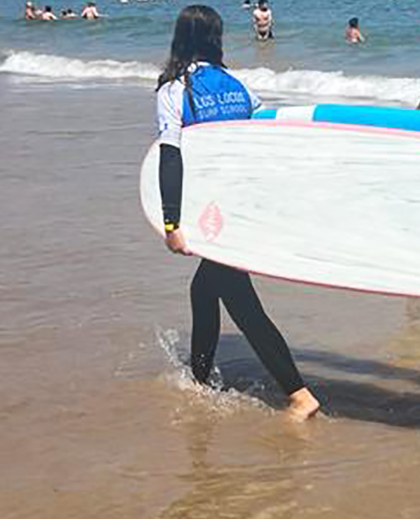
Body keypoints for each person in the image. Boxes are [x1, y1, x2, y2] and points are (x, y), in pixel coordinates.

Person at [155, 5, 320, 421]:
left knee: (243, 306)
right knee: (204, 291)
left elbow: (170, 158)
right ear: (216, 38)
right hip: (244, 210)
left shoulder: (176, 91)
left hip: (216, 219)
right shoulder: (240, 87)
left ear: (180, 38)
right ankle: (199, 380)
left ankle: (299, 395)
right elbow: (263, 149)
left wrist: (171, 223)